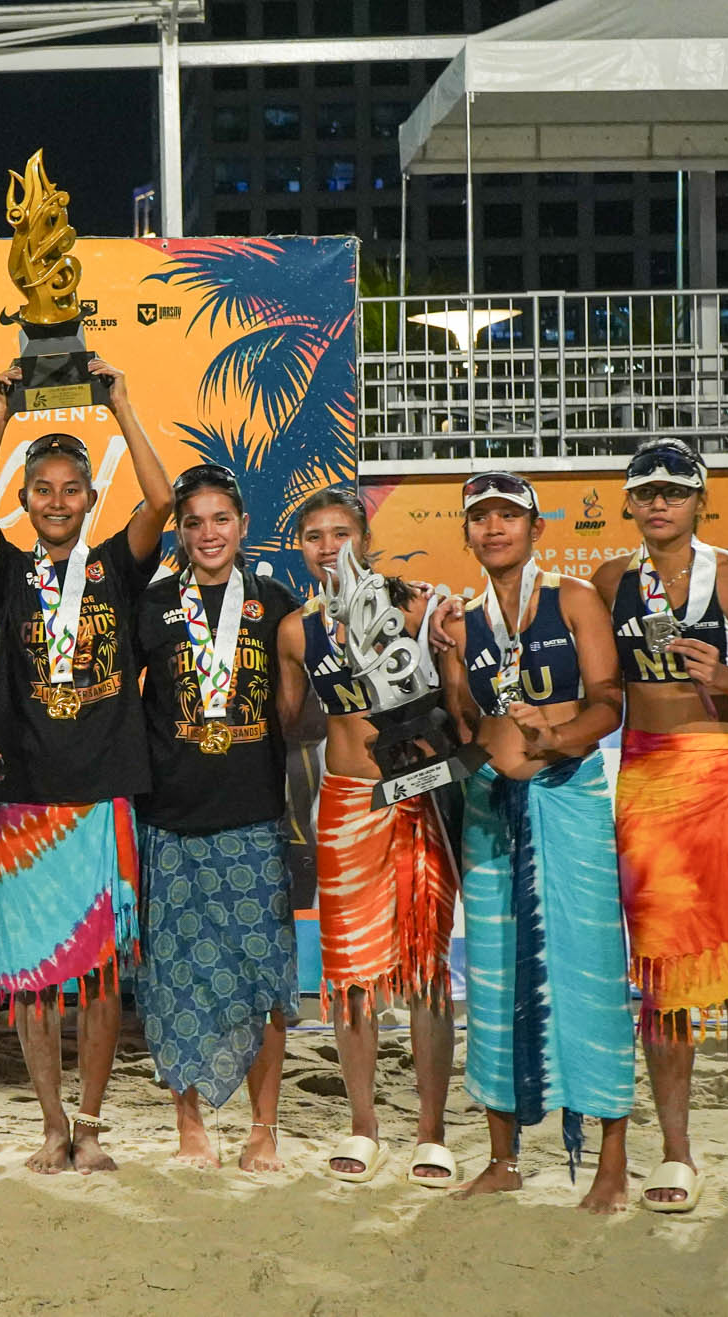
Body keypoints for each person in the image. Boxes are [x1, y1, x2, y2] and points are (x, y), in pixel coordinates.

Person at [0, 357, 173, 1174]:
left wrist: (122, 405)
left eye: (71, 489)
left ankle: (90, 1123)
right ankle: (52, 1123)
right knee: (35, 977)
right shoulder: (8, 573)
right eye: (42, 489)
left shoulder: (115, 566)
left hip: (101, 799)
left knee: (101, 976)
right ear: (25, 500)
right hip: (24, 800)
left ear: (88, 498)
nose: (56, 501)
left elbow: (161, 502)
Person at [593, 437, 728, 1220]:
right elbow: (595, 683)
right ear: (627, 501)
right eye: (646, 490)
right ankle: (676, 1150)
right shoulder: (610, 582)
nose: (659, 502)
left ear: (699, 501)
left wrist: (724, 675)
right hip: (648, 783)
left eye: (673, 491)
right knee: (664, 979)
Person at [431, 472, 635, 1212]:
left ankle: (611, 1160)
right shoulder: (463, 620)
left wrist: (557, 738)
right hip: (491, 806)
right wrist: (446, 657)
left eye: (507, 516)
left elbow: (610, 703)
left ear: (534, 527)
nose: (494, 528)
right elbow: (464, 722)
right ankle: (503, 1157)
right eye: (480, 518)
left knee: (591, 972)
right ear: (467, 533)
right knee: (492, 979)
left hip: (569, 796)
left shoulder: (573, 599)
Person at [276, 487, 458, 1189]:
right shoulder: (297, 630)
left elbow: (456, 703)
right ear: (299, 547)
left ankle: (431, 1132)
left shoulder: (414, 606)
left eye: (342, 533)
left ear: (367, 538)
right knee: (350, 977)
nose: (329, 547)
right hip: (345, 803)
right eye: (314, 536)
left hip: (415, 800)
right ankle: (363, 1125)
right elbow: (290, 724)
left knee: (424, 971)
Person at [133, 463, 304, 1171]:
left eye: (221, 519)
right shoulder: (152, 604)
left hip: (252, 814)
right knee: (175, 979)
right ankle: (190, 1121)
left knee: (263, 978)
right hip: (170, 819)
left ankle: (264, 1126)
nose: (209, 533)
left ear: (242, 525)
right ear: (179, 531)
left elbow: (295, 710)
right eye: (194, 522)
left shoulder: (276, 601)